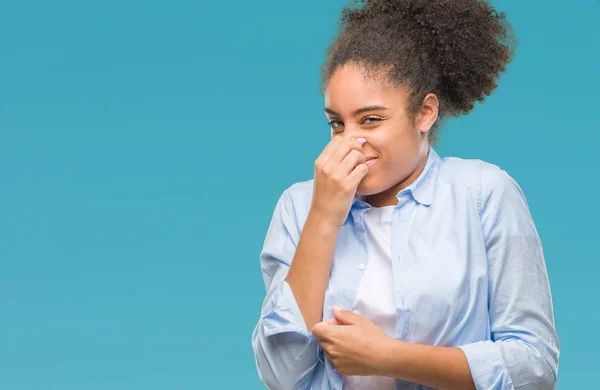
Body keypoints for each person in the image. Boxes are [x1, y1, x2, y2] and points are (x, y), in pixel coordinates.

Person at [251, 0, 560, 389]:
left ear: (425, 113)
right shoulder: (299, 207)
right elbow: (280, 376)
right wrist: (325, 216)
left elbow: (533, 368)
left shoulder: (484, 194)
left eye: (371, 120)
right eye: (336, 124)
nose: (350, 142)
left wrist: (385, 356)